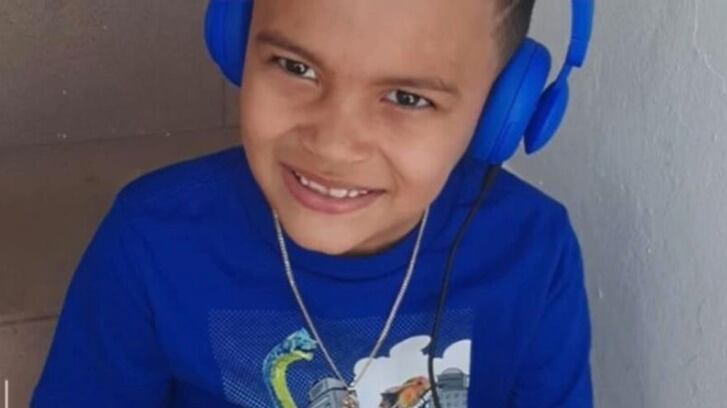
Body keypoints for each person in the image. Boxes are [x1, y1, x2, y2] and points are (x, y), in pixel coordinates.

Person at [31, 0, 594, 406]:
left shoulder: (534, 255)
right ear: (237, 41)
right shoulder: (151, 242)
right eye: (296, 67)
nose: (333, 146)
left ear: (501, 112)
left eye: (406, 98)